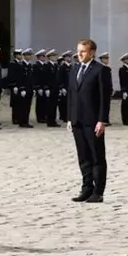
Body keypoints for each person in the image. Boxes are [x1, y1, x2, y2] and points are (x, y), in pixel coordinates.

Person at [67, 39, 111, 203]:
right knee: (83, 157)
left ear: (92, 52)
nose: (79, 54)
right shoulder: (75, 69)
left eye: (83, 51)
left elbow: (104, 98)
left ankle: (98, 192)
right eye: (78, 51)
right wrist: (70, 118)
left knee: (96, 156)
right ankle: (86, 188)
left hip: (93, 121)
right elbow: (71, 95)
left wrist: (102, 120)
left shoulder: (101, 70)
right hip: (77, 120)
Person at [17, 48, 35, 128]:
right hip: (23, 89)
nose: (29, 56)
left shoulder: (30, 66)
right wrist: (22, 88)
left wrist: (33, 88)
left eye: (30, 55)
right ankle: (22, 122)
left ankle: (26, 121)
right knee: (22, 106)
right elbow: (19, 78)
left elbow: (32, 78)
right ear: (24, 56)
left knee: (28, 106)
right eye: (28, 55)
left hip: (29, 89)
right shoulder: (21, 66)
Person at [44, 49, 61, 127]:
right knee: (50, 106)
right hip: (50, 88)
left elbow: (58, 78)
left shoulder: (56, 66)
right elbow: (45, 78)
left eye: (55, 56)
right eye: (53, 56)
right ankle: (50, 121)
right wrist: (46, 88)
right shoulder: (47, 66)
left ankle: (53, 121)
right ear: (49, 57)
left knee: (54, 105)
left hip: (56, 88)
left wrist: (60, 88)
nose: (54, 57)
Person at [57, 51, 73, 123]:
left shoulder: (72, 67)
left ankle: (70, 116)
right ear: (64, 58)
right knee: (64, 103)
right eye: (67, 57)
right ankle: (64, 117)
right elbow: (60, 78)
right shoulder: (62, 67)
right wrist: (62, 87)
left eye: (70, 56)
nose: (69, 58)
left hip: (71, 88)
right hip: (65, 88)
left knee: (71, 103)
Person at [33, 49, 48, 123]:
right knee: (40, 103)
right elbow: (36, 77)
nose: (44, 57)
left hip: (45, 87)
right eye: (42, 56)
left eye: (44, 56)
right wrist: (38, 87)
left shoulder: (45, 65)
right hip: (40, 87)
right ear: (38, 57)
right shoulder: (36, 66)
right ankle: (40, 117)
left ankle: (44, 116)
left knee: (45, 102)